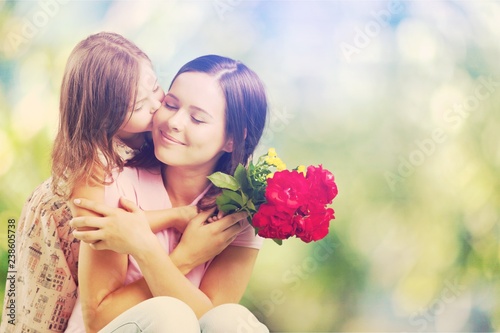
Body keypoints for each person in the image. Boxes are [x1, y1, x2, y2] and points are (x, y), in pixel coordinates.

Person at [0, 33, 239, 333]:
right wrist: (177, 218)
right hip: (51, 262)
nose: (157, 107)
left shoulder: (148, 143)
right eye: (140, 105)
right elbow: (103, 227)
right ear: (105, 117)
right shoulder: (93, 162)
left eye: (156, 89)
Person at [66, 55, 270, 332]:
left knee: (234, 321)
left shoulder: (238, 215)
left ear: (233, 139)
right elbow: (97, 319)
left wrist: (146, 247)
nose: (174, 121)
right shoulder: (115, 181)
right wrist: (184, 256)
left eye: (197, 119)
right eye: (170, 104)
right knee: (169, 314)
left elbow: (211, 323)